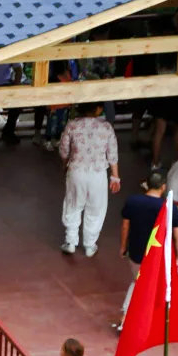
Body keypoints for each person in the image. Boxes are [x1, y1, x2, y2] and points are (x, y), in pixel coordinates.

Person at [115, 172, 178, 330]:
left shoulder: (132, 201)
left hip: (136, 253)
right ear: (163, 187)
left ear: (146, 184)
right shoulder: (169, 207)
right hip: (158, 256)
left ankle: (125, 317)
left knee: (137, 282)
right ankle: (148, 320)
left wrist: (123, 246)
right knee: (158, 286)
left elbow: (125, 226)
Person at [58, 103, 120, 256]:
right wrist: (115, 177)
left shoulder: (72, 125)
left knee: (73, 204)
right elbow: (112, 154)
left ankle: (70, 242)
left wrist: (65, 165)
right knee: (96, 208)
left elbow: (64, 150)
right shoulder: (106, 127)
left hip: (76, 171)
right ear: (97, 109)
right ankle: (90, 245)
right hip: (97, 174)